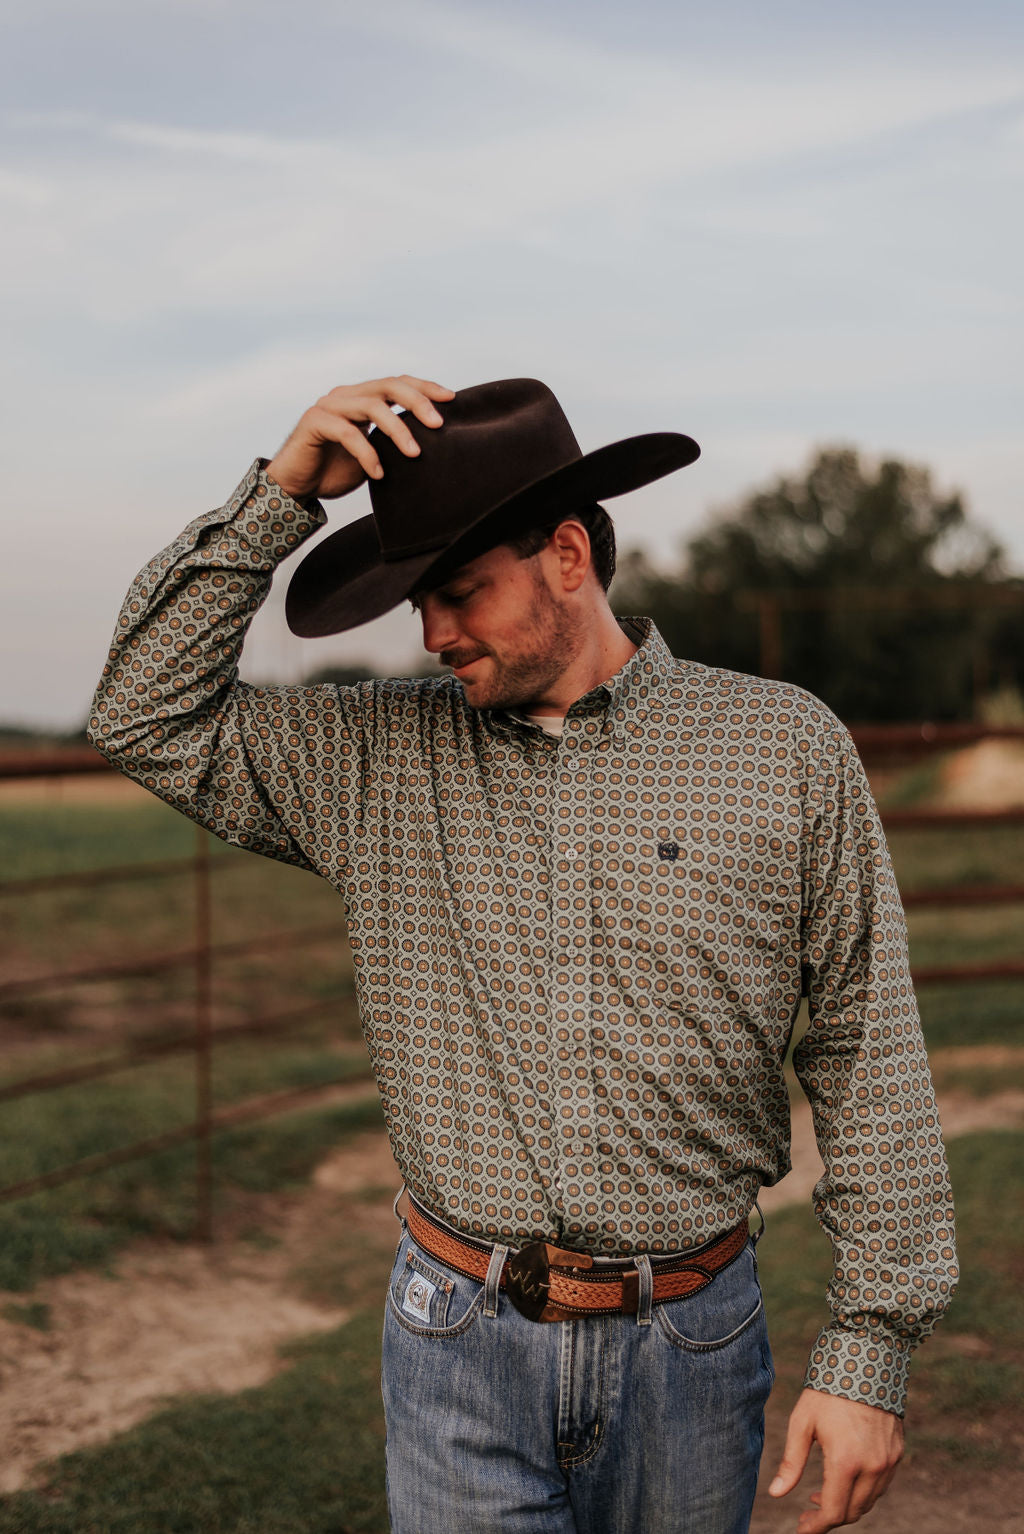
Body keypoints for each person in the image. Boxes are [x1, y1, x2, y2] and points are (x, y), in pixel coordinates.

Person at [88, 374, 957, 1534]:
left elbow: (865, 1049)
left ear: (566, 555)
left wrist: (868, 1355)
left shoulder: (783, 748)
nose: (434, 633)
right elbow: (142, 714)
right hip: (456, 1343)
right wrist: (281, 495)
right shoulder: (370, 757)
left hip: (693, 1350)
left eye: (459, 592)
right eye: (419, 604)